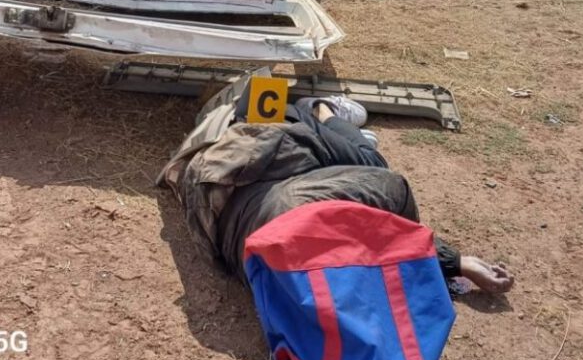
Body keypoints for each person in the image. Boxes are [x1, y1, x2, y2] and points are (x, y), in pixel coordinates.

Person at [160, 91, 515, 295]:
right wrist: (455, 263)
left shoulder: (290, 269)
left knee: (366, 164)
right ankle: (324, 109)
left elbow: (374, 234)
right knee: (374, 164)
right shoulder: (279, 278)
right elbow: (389, 203)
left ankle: (319, 112)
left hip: (252, 181)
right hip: (252, 210)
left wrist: (457, 264)